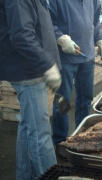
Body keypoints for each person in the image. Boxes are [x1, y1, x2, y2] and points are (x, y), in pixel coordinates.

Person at [0, 0, 62, 179]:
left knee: (28, 126)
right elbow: (22, 36)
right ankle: (50, 176)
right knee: (40, 134)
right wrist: (47, 65)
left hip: (32, 69)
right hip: (28, 72)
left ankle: (24, 176)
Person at [48, 0, 102, 161]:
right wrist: (60, 38)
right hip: (66, 57)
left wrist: (100, 39)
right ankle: (61, 142)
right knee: (64, 102)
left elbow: (95, 21)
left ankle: (82, 137)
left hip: (87, 55)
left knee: (85, 99)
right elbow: (48, 22)